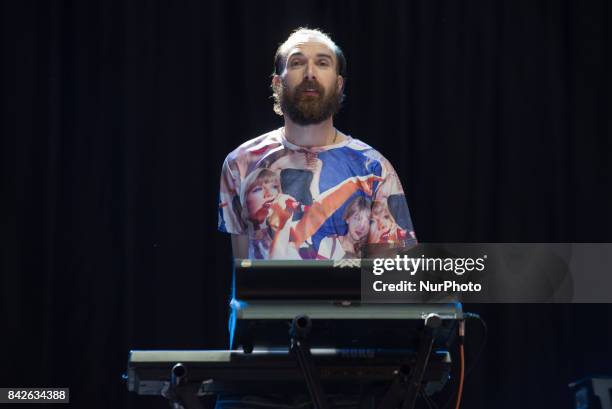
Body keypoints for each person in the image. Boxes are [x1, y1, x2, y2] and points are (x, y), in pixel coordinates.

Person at [218, 27, 416, 260]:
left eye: (322, 63)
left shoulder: (375, 168)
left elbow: (392, 279)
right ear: (276, 84)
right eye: (297, 63)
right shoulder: (239, 163)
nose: (310, 73)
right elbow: (243, 276)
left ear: (339, 84)